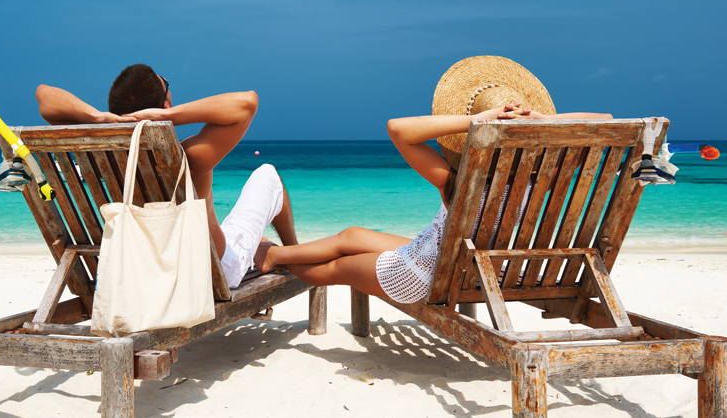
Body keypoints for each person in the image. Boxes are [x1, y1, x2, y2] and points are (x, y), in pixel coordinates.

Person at [255, 55, 611, 303]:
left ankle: (274, 257)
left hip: (432, 274)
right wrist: (537, 119)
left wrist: (479, 119)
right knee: (351, 236)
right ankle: (279, 253)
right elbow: (606, 118)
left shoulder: (459, 179)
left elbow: (399, 129)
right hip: (491, 270)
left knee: (333, 269)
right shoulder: (546, 176)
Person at [35, 64, 297, 289]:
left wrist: (98, 118)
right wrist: (167, 116)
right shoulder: (188, 159)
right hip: (210, 271)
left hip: (142, 273)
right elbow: (247, 102)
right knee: (268, 175)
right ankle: (293, 254)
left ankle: (268, 249)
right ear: (164, 103)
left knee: (236, 229)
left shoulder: (100, 159)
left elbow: (44, 95)